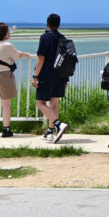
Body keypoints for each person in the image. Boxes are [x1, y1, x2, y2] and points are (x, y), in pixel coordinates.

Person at [0, 22, 32, 137]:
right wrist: (26, 54)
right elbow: (16, 55)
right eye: (8, 31)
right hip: (4, 76)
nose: (9, 32)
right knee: (6, 105)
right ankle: (6, 130)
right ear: (3, 33)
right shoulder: (7, 45)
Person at [33, 13, 69, 143]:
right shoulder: (63, 38)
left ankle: (58, 124)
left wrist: (35, 76)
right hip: (60, 75)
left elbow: (41, 58)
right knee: (54, 103)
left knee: (40, 103)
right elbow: (66, 60)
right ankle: (50, 131)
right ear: (59, 25)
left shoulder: (45, 37)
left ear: (47, 23)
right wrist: (66, 79)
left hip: (46, 75)